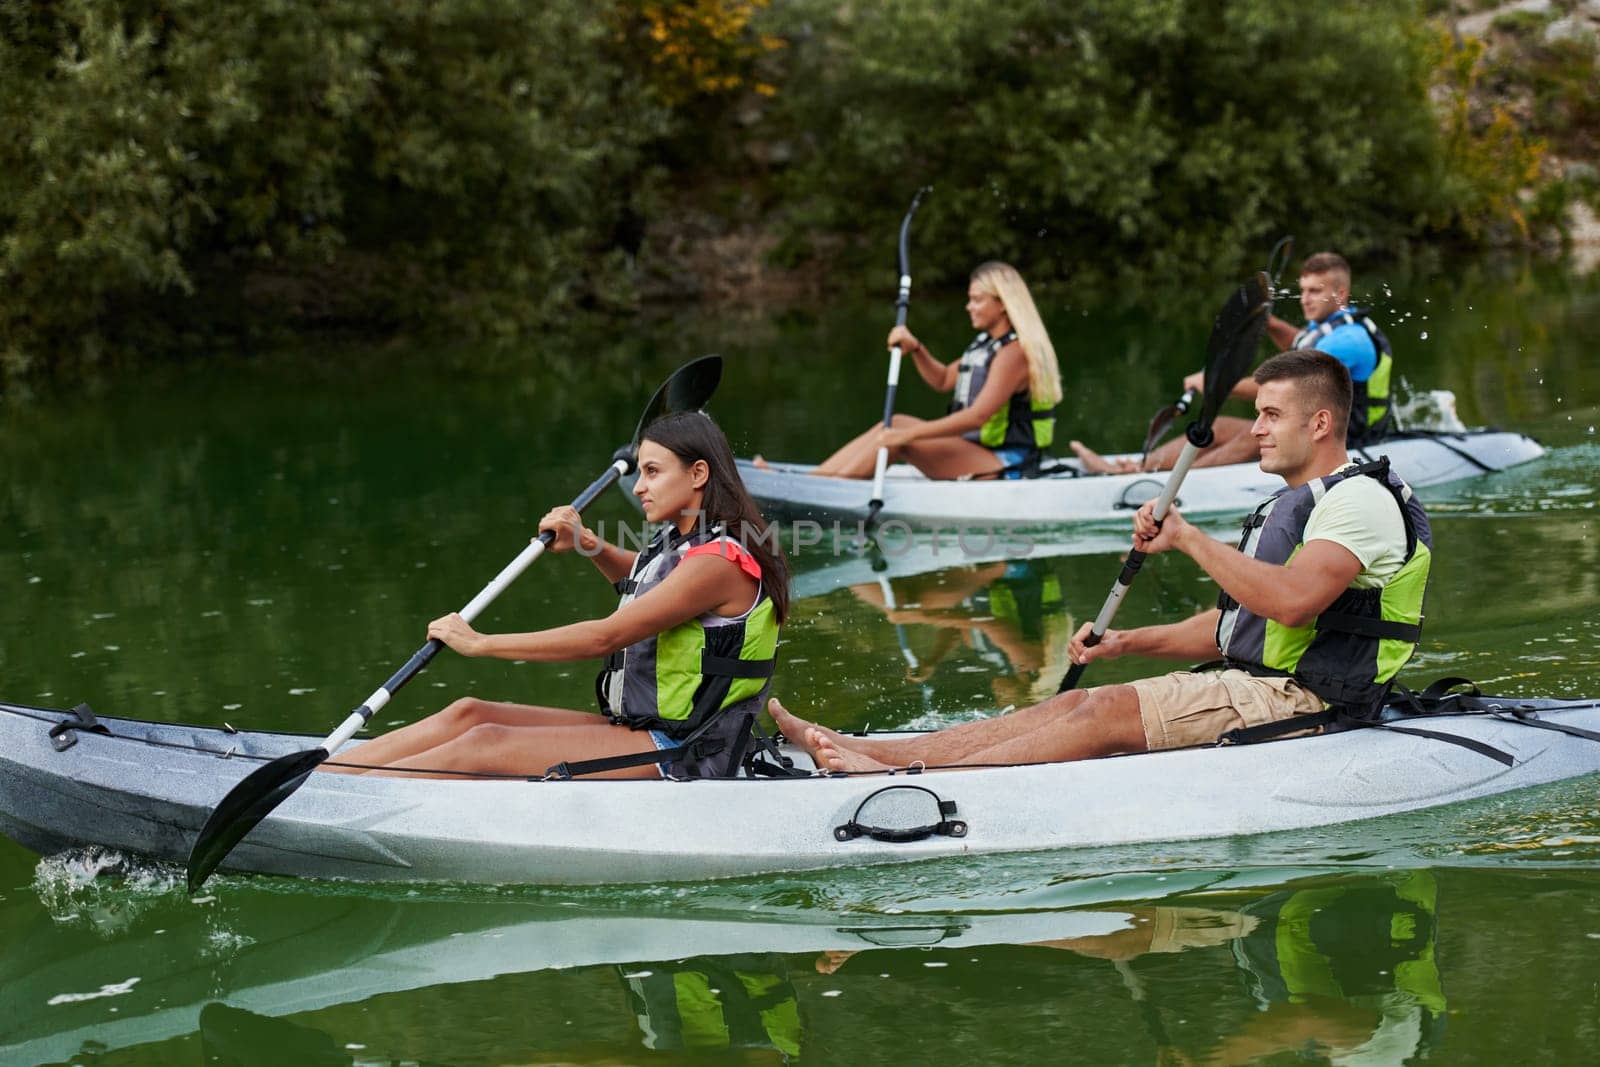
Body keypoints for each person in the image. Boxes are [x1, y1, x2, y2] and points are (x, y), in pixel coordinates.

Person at [772, 349, 1431, 772]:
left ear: (1319, 424)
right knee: (1051, 710)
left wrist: (1188, 538)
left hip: (1308, 702)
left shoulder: (1360, 502)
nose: (1253, 427)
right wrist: (1126, 641)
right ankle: (872, 751)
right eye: (1255, 412)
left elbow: (1291, 601)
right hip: (1262, 684)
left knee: (1095, 714)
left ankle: (890, 770)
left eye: (1269, 414)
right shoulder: (1303, 503)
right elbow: (1243, 624)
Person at [324, 411, 789, 780]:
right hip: (647, 731)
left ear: (698, 474)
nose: (640, 486)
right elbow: (648, 580)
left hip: (688, 750)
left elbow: (602, 639)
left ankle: (338, 799)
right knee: (469, 713)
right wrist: (589, 543)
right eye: (640, 471)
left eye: (652, 471)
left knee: (484, 744)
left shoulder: (720, 562)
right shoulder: (685, 546)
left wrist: (482, 643)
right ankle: (321, 777)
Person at [1071, 251, 1397, 474]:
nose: (1305, 299)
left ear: (1340, 294)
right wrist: (1269, 323)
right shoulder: (1330, 328)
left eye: (1315, 291)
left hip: (1348, 440)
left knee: (1258, 432)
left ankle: (1174, 483)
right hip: (1315, 431)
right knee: (1219, 426)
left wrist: (1215, 383)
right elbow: (1301, 343)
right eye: (1302, 290)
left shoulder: (1349, 341)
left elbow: (1284, 387)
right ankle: (1138, 469)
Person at [804, 261, 1063, 480]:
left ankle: (823, 487)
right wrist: (916, 348)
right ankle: (816, 479)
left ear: (1002, 304)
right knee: (895, 424)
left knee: (899, 432)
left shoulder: (1014, 353)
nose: (968, 307)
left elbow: (977, 417)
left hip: (1005, 463)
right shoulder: (986, 345)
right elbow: (942, 380)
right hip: (979, 450)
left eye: (977, 300)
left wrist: (908, 435)